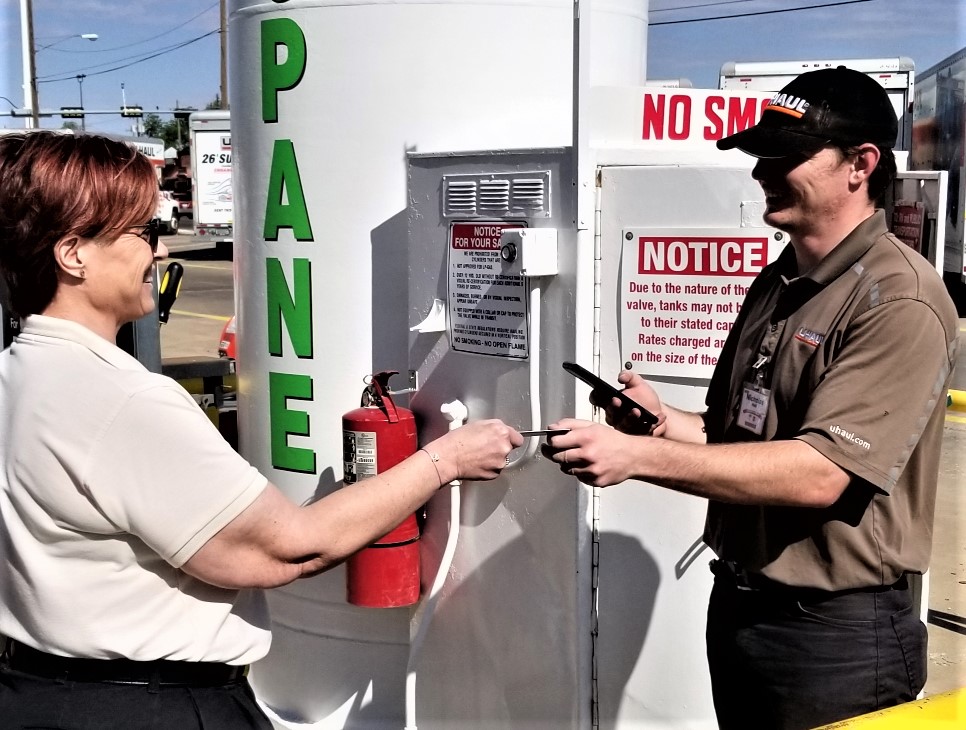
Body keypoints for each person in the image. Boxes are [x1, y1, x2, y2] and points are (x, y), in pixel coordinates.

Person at [0, 131, 523, 729]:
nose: (161, 250)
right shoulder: (123, 401)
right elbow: (289, 546)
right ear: (74, 254)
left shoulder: (19, 373)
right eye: (143, 232)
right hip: (148, 707)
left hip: (35, 694)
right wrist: (445, 460)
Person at [544, 67, 960, 729]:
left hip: (836, 637)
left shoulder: (898, 297)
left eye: (785, 156)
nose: (763, 171)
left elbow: (822, 473)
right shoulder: (778, 280)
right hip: (744, 610)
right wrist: (660, 424)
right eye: (761, 154)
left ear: (861, 165)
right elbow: (733, 433)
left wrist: (636, 460)